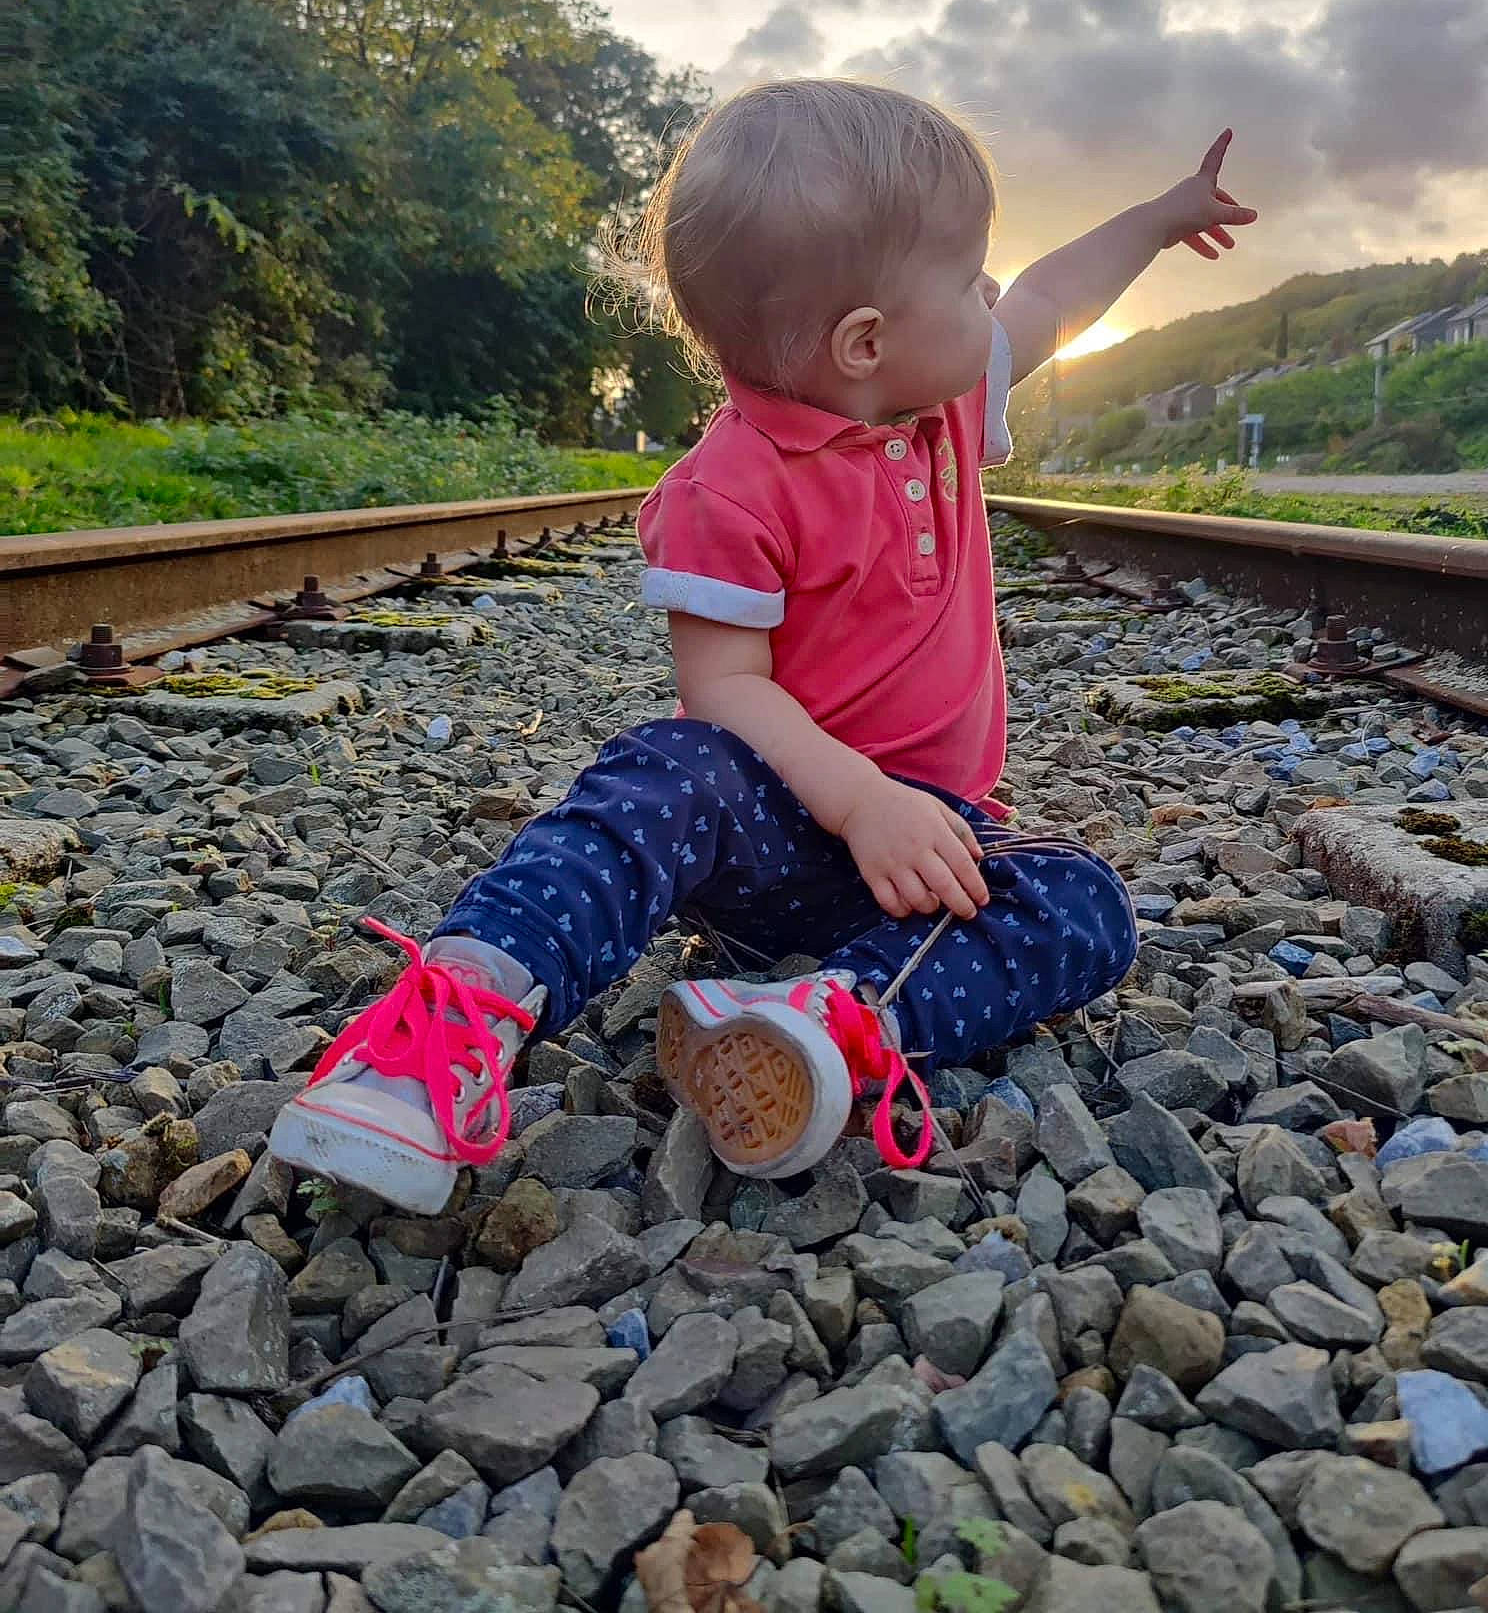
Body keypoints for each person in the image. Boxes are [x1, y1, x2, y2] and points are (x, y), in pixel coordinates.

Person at [271, 80, 1257, 1213]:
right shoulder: (728, 487)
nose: (991, 295)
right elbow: (724, 690)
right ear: (865, 340)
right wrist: (861, 800)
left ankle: (825, 1022)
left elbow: (1049, 295)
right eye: (966, 277)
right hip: (776, 835)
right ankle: (442, 1028)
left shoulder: (937, 402)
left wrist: (1161, 217)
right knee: (661, 770)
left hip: (928, 847)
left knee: (1085, 900)